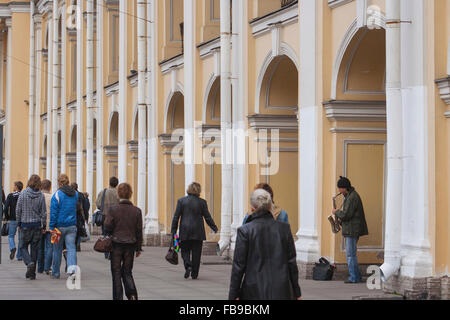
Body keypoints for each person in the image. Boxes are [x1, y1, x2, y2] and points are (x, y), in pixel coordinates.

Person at [229, 189, 301, 300]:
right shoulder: (284, 229)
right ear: (270, 207)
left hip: (253, 289)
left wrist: (233, 295)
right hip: (281, 289)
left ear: (252, 208)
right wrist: (297, 293)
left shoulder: (245, 231)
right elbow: (291, 263)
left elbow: (238, 267)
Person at [171, 182, 218, 280]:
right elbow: (207, 217)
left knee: (185, 250)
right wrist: (214, 227)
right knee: (197, 253)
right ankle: (195, 274)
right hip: (198, 231)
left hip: (185, 229)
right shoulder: (202, 202)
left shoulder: (181, 201)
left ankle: (187, 265)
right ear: (198, 190)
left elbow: (176, 217)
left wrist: (173, 230)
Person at [103, 183, 143, 300]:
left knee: (116, 272)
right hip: (130, 244)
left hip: (116, 244)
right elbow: (139, 231)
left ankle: (118, 297)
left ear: (118, 194)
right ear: (130, 194)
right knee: (127, 271)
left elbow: (107, 227)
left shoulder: (113, 209)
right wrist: (138, 248)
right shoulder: (137, 211)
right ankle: (132, 295)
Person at [332, 176, 369, 284]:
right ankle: (356, 276)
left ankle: (354, 277)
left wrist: (336, 212)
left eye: (339, 188)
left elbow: (347, 214)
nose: (339, 191)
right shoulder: (350, 196)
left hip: (352, 230)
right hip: (351, 229)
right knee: (351, 254)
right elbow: (350, 215)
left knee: (350, 254)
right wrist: (341, 221)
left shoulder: (352, 197)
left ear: (344, 188)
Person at [16, 175, 46, 280]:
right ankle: (32, 274)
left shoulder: (23, 193)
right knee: (34, 249)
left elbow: (18, 209)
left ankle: (29, 263)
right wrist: (44, 226)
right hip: (37, 225)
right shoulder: (41, 195)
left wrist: (18, 223)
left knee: (23, 246)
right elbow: (43, 212)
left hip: (25, 224)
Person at [50, 174, 79, 279]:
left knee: (56, 249)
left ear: (59, 183)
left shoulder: (57, 194)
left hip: (58, 227)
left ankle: (55, 272)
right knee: (71, 248)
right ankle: (72, 270)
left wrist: (51, 226)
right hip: (71, 225)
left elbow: (54, 212)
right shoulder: (75, 194)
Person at [96, 177, 120, 259]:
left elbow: (98, 204)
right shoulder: (118, 193)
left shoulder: (103, 192)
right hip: (116, 217)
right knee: (115, 234)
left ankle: (106, 252)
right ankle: (114, 252)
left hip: (105, 216)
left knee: (105, 234)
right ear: (117, 184)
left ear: (109, 183)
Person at [3, 181, 24, 261]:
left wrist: (7, 217)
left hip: (13, 219)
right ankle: (19, 256)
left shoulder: (10, 196)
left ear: (16, 187)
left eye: (14, 185)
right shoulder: (23, 195)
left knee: (11, 236)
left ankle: (12, 248)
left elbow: (5, 208)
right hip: (21, 220)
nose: (13, 186)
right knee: (20, 238)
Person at [37, 180, 53, 275]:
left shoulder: (38, 197)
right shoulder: (52, 197)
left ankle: (40, 267)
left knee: (40, 247)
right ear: (49, 187)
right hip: (49, 225)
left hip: (39, 225)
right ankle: (47, 267)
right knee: (49, 247)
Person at [71, 183, 88, 252]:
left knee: (73, 230)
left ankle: (74, 244)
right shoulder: (81, 195)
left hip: (72, 215)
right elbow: (85, 207)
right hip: (80, 215)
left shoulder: (70, 195)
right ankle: (78, 244)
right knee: (79, 230)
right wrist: (86, 217)